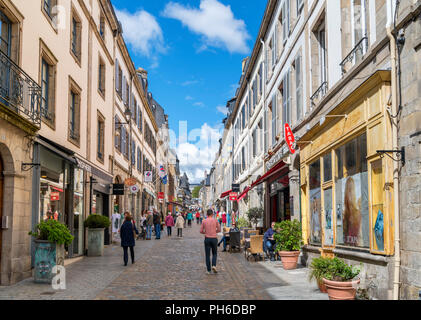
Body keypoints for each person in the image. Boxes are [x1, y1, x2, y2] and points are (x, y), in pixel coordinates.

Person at [200, 209, 221, 275]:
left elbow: (201, 231)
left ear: (207, 214)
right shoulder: (215, 220)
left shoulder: (204, 221)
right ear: (212, 214)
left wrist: (205, 232)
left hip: (207, 238)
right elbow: (219, 229)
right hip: (214, 238)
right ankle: (214, 265)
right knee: (214, 253)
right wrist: (215, 232)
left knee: (207, 255)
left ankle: (208, 270)